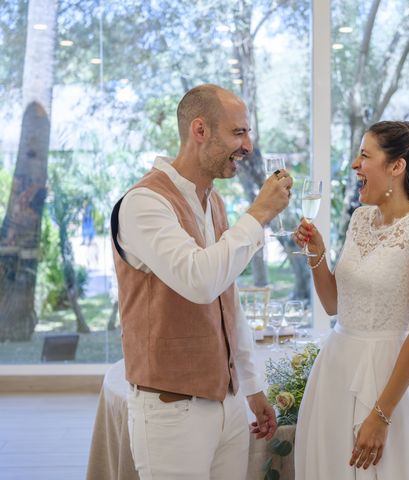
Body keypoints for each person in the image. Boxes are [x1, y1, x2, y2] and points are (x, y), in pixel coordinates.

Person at [110, 84, 292, 479]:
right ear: (200, 130)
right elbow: (200, 281)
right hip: (172, 409)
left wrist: (252, 386)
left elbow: (228, 301)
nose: (248, 145)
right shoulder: (145, 203)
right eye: (238, 132)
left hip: (226, 405)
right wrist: (258, 214)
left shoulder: (214, 202)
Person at [293, 121, 409, 479]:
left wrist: (381, 415)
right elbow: (334, 305)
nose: (354, 165)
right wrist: (317, 254)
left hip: (383, 378)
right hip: (335, 367)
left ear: (397, 166)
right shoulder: (360, 219)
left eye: (365, 155)